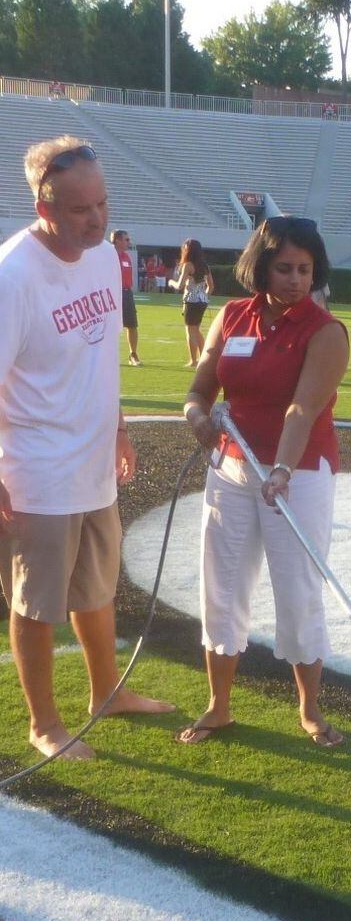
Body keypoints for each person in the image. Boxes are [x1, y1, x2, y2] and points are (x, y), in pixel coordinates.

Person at [0, 135, 174, 760]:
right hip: (37, 472)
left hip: (94, 460)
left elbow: (100, 357)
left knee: (97, 587)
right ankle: (44, 722)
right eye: (79, 209)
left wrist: (120, 426)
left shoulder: (104, 257)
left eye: (101, 202)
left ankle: (108, 692)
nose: (97, 218)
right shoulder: (13, 275)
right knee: (38, 601)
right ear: (44, 206)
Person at [177, 216, 349, 747]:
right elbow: (200, 390)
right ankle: (218, 706)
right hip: (230, 470)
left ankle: (310, 709)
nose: (296, 279)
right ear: (261, 267)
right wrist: (197, 418)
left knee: (298, 591)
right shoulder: (230, 316)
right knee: (222, 586)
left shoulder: (326, 331)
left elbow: (301, 409)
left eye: (305, 269)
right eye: (284, 268)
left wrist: (281, 469)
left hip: (298, 475)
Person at [169, 238, 215, 367]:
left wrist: (171, 282)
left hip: (190, 300)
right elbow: (211, 285)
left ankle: (193, 360)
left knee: (190, 331)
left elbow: (180, 285)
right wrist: (204, 296)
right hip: (202, 300)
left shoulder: (188, 265)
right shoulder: (205, 266)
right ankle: (204, 358)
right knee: (196, 330)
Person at [111, 228, 141, 365]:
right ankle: (108, 356)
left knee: (132, 324)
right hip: (111, 293)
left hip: (126, 293)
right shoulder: (108, 255)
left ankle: (133, 354)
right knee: (109, 326)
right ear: (117, 240)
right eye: (126, 239)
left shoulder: (126, 256)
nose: (129, 242)